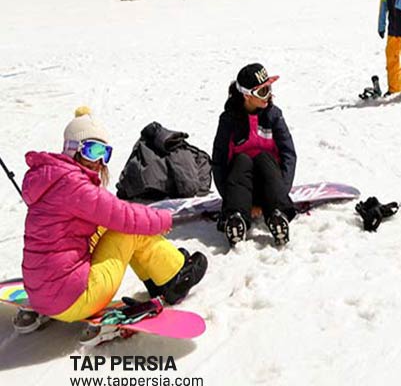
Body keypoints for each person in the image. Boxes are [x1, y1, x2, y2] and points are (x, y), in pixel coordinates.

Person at [18, 107, 207, 344]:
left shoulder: (50, 180)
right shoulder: (77, 187)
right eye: (92, 150)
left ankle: (159, 272)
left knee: (104, 227)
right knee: (127, 230)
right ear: (73, 149)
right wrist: (164, 219)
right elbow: (124, 215)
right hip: (75, 299)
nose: (98, 161)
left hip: (40, 292)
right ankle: (175, 276)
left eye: (104, 153)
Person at [211, 63, 297, 247]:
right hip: (239, 189)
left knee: (264, 158)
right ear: (246, 95)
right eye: (262, 91)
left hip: (271, 186)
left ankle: (277, 215)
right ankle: (236, 220)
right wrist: (229, 197)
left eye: (269, 89)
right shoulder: (228, 121)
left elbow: (289, 155)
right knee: (242, 160)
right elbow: (219, 164)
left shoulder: (274, 116)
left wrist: (283, 189)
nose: (269, 95)